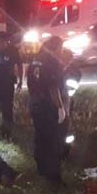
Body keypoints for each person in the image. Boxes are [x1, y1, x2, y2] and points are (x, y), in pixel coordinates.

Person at [27, 36, 68, 185]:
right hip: (48, 106)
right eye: (60, 48)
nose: (61, 51)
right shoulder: (52, 61)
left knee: (40, 137)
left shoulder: (36, 59)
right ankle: (53, 177)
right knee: (52, 141)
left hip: (35, 103)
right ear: (55, 47)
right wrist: (60, 108)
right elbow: (53, 87)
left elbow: (30, 82)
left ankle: (41, 169)